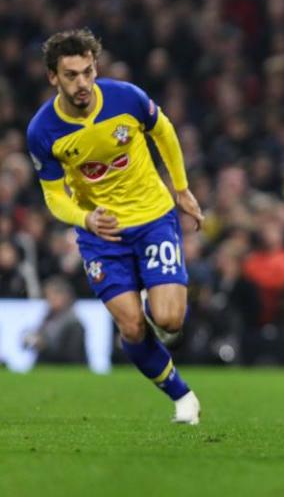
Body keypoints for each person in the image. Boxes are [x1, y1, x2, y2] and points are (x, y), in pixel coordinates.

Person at [26, 29, 203, 425]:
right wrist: (85, 218)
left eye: (88, 72)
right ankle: (183, 396)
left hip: (153, 217)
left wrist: (181, 188)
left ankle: (149, 290)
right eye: (71, 75)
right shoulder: (43, 131)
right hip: (101, 234)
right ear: (53, 77)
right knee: (132, 327)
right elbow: (54, 196)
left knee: (170, 320)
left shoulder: (126, 98)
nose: (82, 83)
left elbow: (164, 131)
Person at [22, 276, 87, 365]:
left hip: (65, 369)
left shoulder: (74, 323)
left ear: (64, 297)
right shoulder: (47, 318)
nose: (49, 301)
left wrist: (44, 346)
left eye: (52, 297)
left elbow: (73, 356)